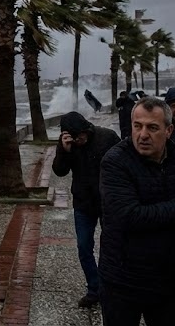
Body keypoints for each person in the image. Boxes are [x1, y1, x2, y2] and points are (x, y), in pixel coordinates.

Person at [99, 96, 175, 325]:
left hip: (169, 279)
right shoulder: (115, 161)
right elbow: (130, 216)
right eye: (137, 126)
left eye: (152, 127)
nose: (143, 134)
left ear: (169, 130)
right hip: (123, 279)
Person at [52, 111, 121, 308]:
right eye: (73, 137)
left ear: (86, 129)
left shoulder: (106, 137)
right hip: (83, 203)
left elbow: (123, 162)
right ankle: (94, 289)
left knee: (113, 246)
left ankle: (113, 288)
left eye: (80, 136)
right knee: (84, 247)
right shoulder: (67, 143)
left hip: (107, 202)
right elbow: (60, 171)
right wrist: (64, 151)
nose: (78, 140)